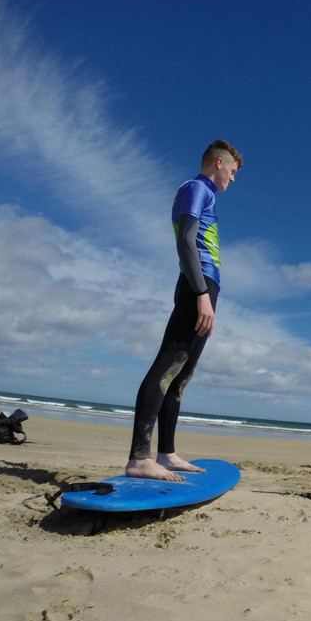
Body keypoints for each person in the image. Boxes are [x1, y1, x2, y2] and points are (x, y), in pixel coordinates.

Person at [125, 140, 243, 481]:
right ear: (219, 163)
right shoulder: (196, 188)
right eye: (232, 172)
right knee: (167, 364)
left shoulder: (208, 195)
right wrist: (201, 293)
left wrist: (207, 293)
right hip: (198, 285)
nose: (233, 179)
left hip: (205, 286)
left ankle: (166, 453)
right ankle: (138, 458)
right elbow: (185, 242)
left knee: (181, 374)